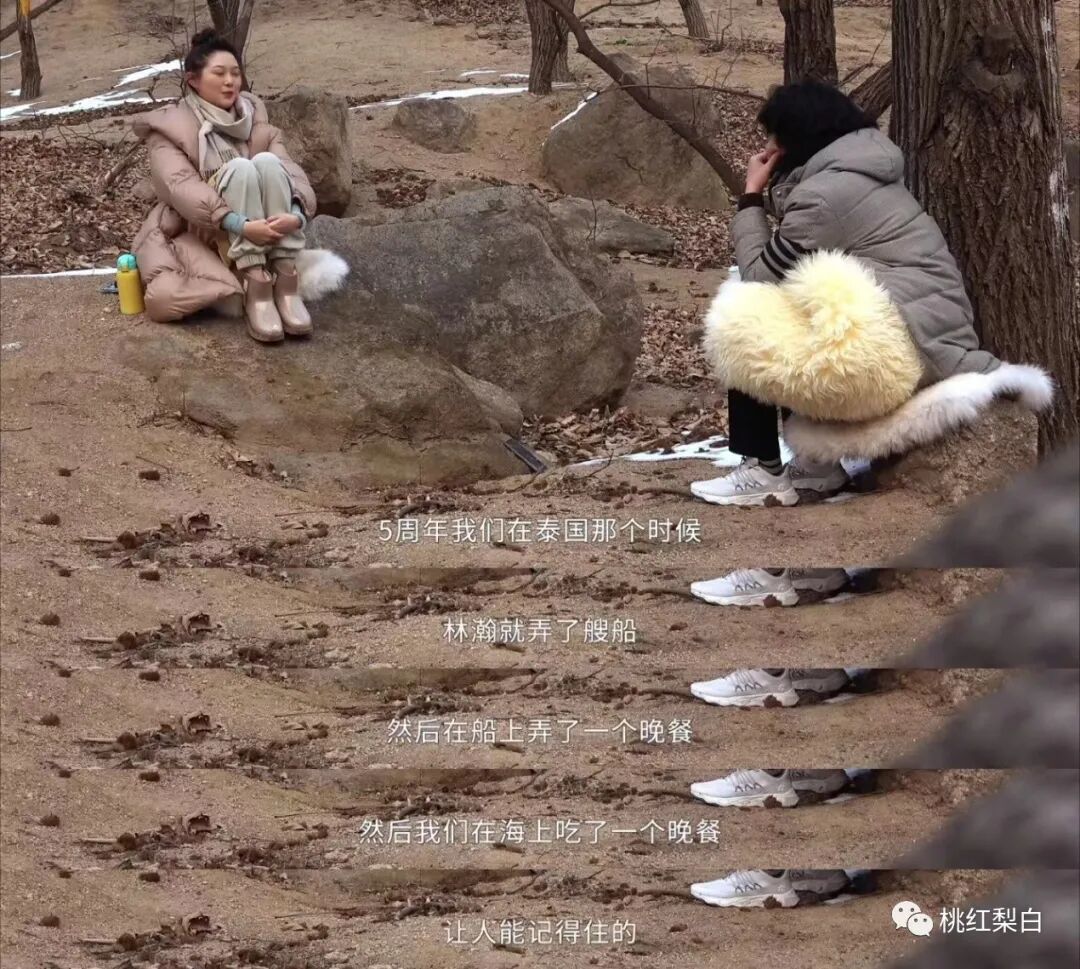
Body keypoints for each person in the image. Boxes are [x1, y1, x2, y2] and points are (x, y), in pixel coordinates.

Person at [692, 81, 999, 507]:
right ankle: (817, 466)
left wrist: (750, 196)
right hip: (926, 339)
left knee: (746, 311)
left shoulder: (825, 196)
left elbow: (759, 276)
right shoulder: (857, 173)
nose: (767, 147)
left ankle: (762, 468)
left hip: (904, 351)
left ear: (797, 138)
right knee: (803, 299)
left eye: (774, 136)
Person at [131, 29, 317, 343]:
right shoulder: (170, 128)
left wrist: (297, 215)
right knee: (241, 168)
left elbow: (291, 173)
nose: (230, 81)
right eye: (219, 74)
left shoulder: (256, 121)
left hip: (269, 228)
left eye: (235, 73)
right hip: (210, 229)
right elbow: (181, 188)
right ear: (193, 80)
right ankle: (256, 283)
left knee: (268, 162)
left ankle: (285, 277)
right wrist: (239, 225)